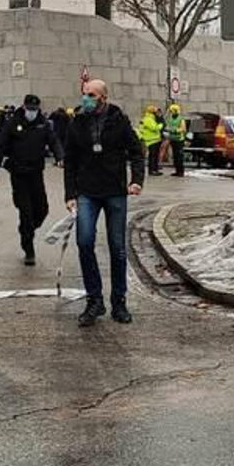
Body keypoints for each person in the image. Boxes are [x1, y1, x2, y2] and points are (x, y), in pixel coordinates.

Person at [64, 78, 145, 326]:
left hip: (115, 191)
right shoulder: (77, 122)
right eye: (84, 94)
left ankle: (119, 302)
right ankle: (94, 300)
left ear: (103, 98)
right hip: (87, 191)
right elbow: (70, 161)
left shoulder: (118, 121)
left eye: (91, 95)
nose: (85, 98)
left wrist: (136, 180)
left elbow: (136, 151)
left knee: (117, 247)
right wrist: (70, 194)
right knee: (84, 241)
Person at [0, 93, 64, 264]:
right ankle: (28, 248)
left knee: (42, 209)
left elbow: (53, 141)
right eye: (30, 109)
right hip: (18, 174)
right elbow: (0, 147)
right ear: (24, 107)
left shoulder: (43, 124)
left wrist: (60, 156)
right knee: (26, 211)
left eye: (35, 109)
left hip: (36, 172)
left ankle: (27, 230)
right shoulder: (12, 123)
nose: (32, 112)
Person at [137, 104, 164, 176]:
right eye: (155, 112)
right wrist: (161, 125)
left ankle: (155, 169)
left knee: (154, 156)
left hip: (153, 140)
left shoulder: (148, 118)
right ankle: (152, 170)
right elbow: (154, 128)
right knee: (153, 156)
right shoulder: (149, 119)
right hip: (152, 140)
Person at [164, 102, 188, 177]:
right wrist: (167, 129)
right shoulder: (170, 118)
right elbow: (168, 125)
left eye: (172, 111)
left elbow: (183, 129)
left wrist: (174, 130)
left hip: (179, 139)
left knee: (179, 156)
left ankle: (181, 171)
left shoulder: (181, 119)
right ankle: (177, 171)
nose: (171, 112)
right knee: (175, 156)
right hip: (172, 138)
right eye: (171, 111)